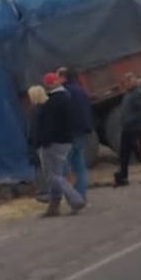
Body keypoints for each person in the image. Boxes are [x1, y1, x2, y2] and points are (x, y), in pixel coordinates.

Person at [35, 73, 86, 216]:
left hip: (53, 142)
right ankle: (54, 206)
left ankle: (75, 199)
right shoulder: (67, 97)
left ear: (49, 84)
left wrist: (43, 142)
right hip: (66, 140)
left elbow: (48, 125)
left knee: (52, 176)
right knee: (57, 173)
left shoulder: (53, 101)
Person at [114, 74, 141, 187]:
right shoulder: (128, 94)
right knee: (124, 153)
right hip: (126, 129)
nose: (126, 83)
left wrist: (131, 121)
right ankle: (123, 178)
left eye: (129, 81)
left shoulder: (138, 93)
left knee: (139, 152)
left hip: (135, 129)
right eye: (125, 81)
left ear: (134, 81)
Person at [58, 67, 93, 201]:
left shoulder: (64, 92)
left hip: (69, 134)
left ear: (64, 77)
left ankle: (71, 198)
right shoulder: (80, 90)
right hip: (80, 132)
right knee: (79, 166)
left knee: (62, 167)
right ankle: (81, 195)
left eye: (58, 76)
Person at [26, 85, 50, 202]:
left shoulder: (35, 111)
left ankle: (45, 192)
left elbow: (34, 130)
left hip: (39, 144)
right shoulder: (48, 107)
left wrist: (33, 144)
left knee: (40, 168)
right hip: (48, 142)